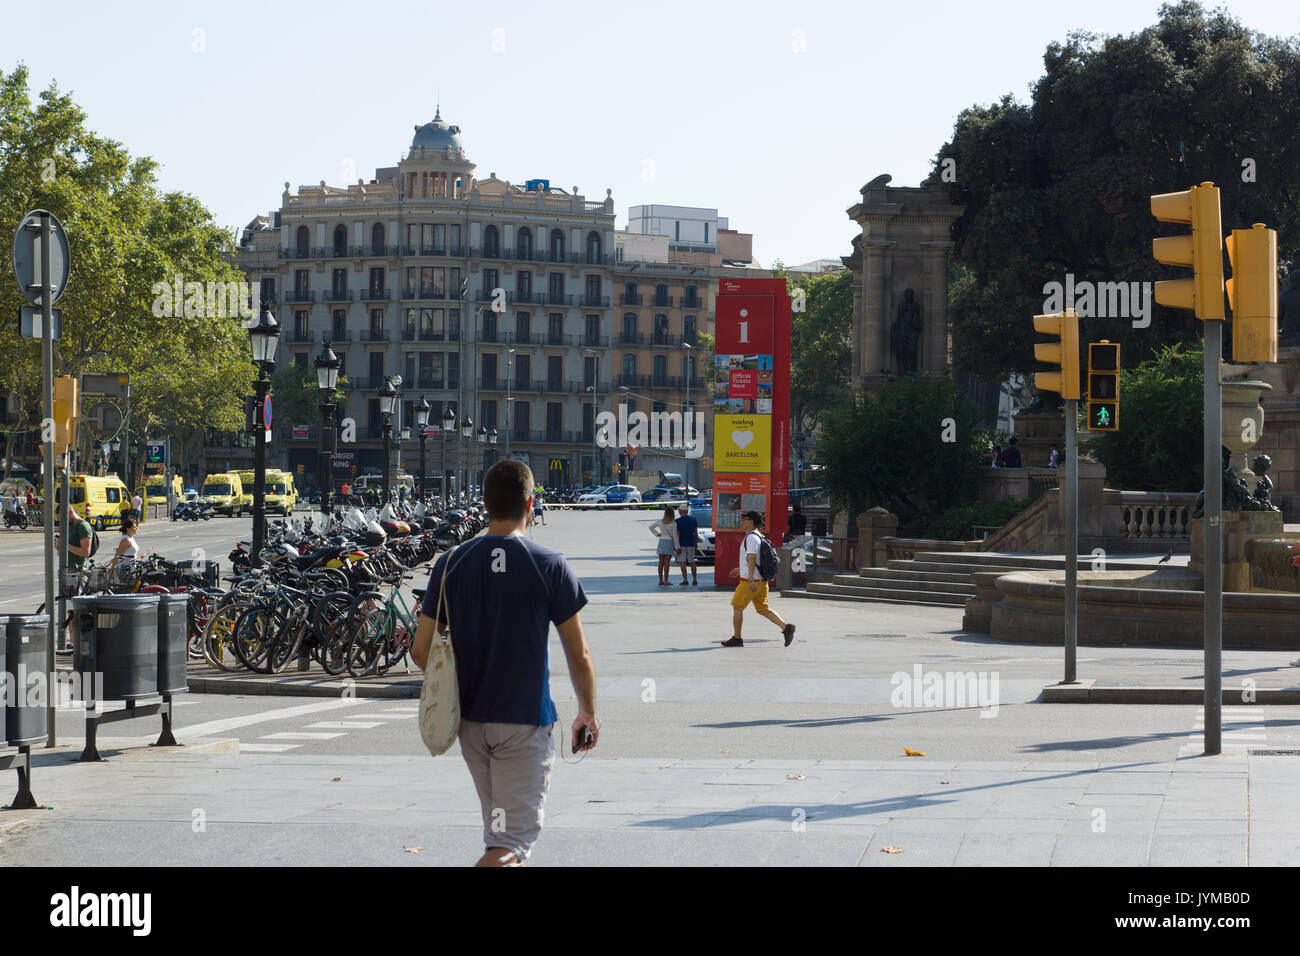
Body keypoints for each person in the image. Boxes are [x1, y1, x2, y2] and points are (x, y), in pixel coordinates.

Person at [412, 459, 597, 867]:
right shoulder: (549, 565)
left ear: (483, 503)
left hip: (472, 724)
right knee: (509, 844)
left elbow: (420, 651)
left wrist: (454, 690)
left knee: (500, 833)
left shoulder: (450, 563)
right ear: (531, 503)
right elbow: (578, 652)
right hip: (524, 722)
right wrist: (587, 712)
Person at [722, 511, 795, 648]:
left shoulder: (750, 538)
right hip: (761, 581)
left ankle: (737, 638)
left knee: (737, 607)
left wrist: (749, 578)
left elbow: (752, 558)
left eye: (744, 519)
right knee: (763, 609)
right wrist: (741, 570)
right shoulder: (759, 536)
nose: (742, 521)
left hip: (750, 582)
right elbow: (755, 560)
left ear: (751, 522)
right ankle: (786, 628)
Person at [650, 506, 679, 585]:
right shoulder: (674, 524)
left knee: (660, 562)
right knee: (667, 563)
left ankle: (660, 580)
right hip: (669, 542)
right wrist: (678, 547)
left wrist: (657, 534)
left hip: (662, 541)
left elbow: (651, 527)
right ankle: (666, 580)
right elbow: (675, 537)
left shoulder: (660, 521)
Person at [674, 503, 699, 585]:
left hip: (682, 544)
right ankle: (695, 580)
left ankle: (685, 580)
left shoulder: (677, 521)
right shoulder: (693, 519)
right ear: (687, 511)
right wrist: (695, 544)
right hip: (691, 543)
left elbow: (678, 535)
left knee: (683, 563)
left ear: (680, 511)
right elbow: (695, 533)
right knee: (692, 562)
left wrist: (677, 547)